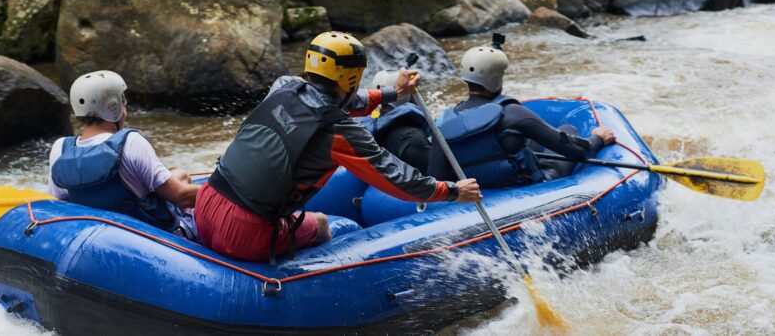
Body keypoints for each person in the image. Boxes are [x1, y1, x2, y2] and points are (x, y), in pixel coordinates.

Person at [195, 31, 482, 263]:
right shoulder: (339, 132)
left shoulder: (283, 86)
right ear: (352, 76)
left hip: (205, 204)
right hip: (244, 234)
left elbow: (337, 100)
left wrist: (394, 92)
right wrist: (453, 191)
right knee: (322, 224)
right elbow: (394, 178)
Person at [428, 35, 615, 187]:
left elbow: (437, 177)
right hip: (523, 188)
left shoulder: (443, 123)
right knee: (568, 129)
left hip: (476, 192)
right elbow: (577, 151)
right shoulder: (514, 114)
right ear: (496, 79)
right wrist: (598, 138)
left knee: (523, 140)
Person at [47, 70, 202, 240]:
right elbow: (181, 197)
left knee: (181, 175)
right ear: (113, 107)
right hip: (158, 237)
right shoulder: (131, 142)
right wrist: (220, 195)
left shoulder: (60, 148)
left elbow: (61, 203)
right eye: (123, 101)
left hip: (100, 237)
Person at [358, 70, 431, 173]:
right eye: (414, 91)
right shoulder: (412, 138)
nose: (417, 97)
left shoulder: (372, 129)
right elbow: (437, 178)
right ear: (406, 96)